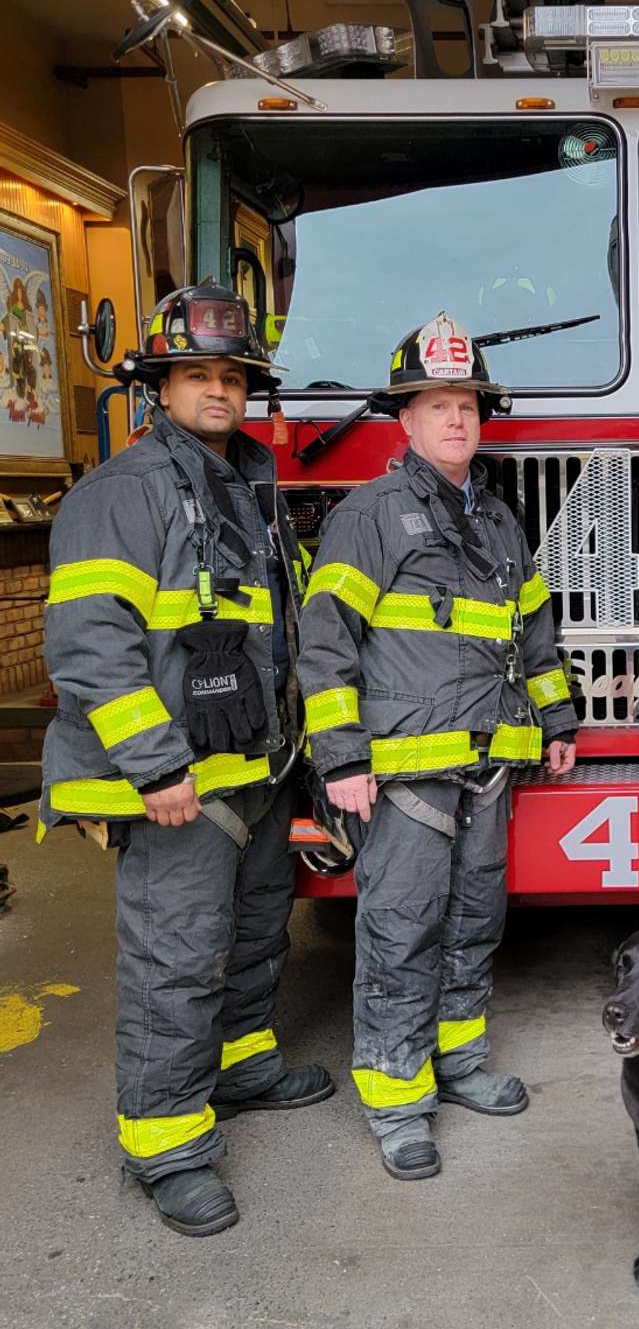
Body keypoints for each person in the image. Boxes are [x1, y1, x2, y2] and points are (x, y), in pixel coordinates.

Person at [40, 282, 332, 1237]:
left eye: (232, 376)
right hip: (179, 784)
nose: (218, 390)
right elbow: (90, 645)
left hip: (252, 767)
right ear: (158, 386)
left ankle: (242, 1068)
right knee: (177, 960)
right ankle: (165, 1145)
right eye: (196, 375)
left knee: (253, 936)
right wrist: (157, 768)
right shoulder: (120, 494)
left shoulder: (245, 484)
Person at [297, 311, 578, 1180]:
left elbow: (532, 633)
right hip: (406, 776)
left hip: (487, 769)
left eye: (466, 405)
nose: (455, 420)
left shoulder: (494, 521)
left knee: (472, 923)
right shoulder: (368, 517)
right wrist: (342, 756)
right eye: (435, 405)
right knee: (401, 931)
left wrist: (557, 720)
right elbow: (324, 641)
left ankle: (457, 1065)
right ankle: (396, 1103)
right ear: (405, 421)